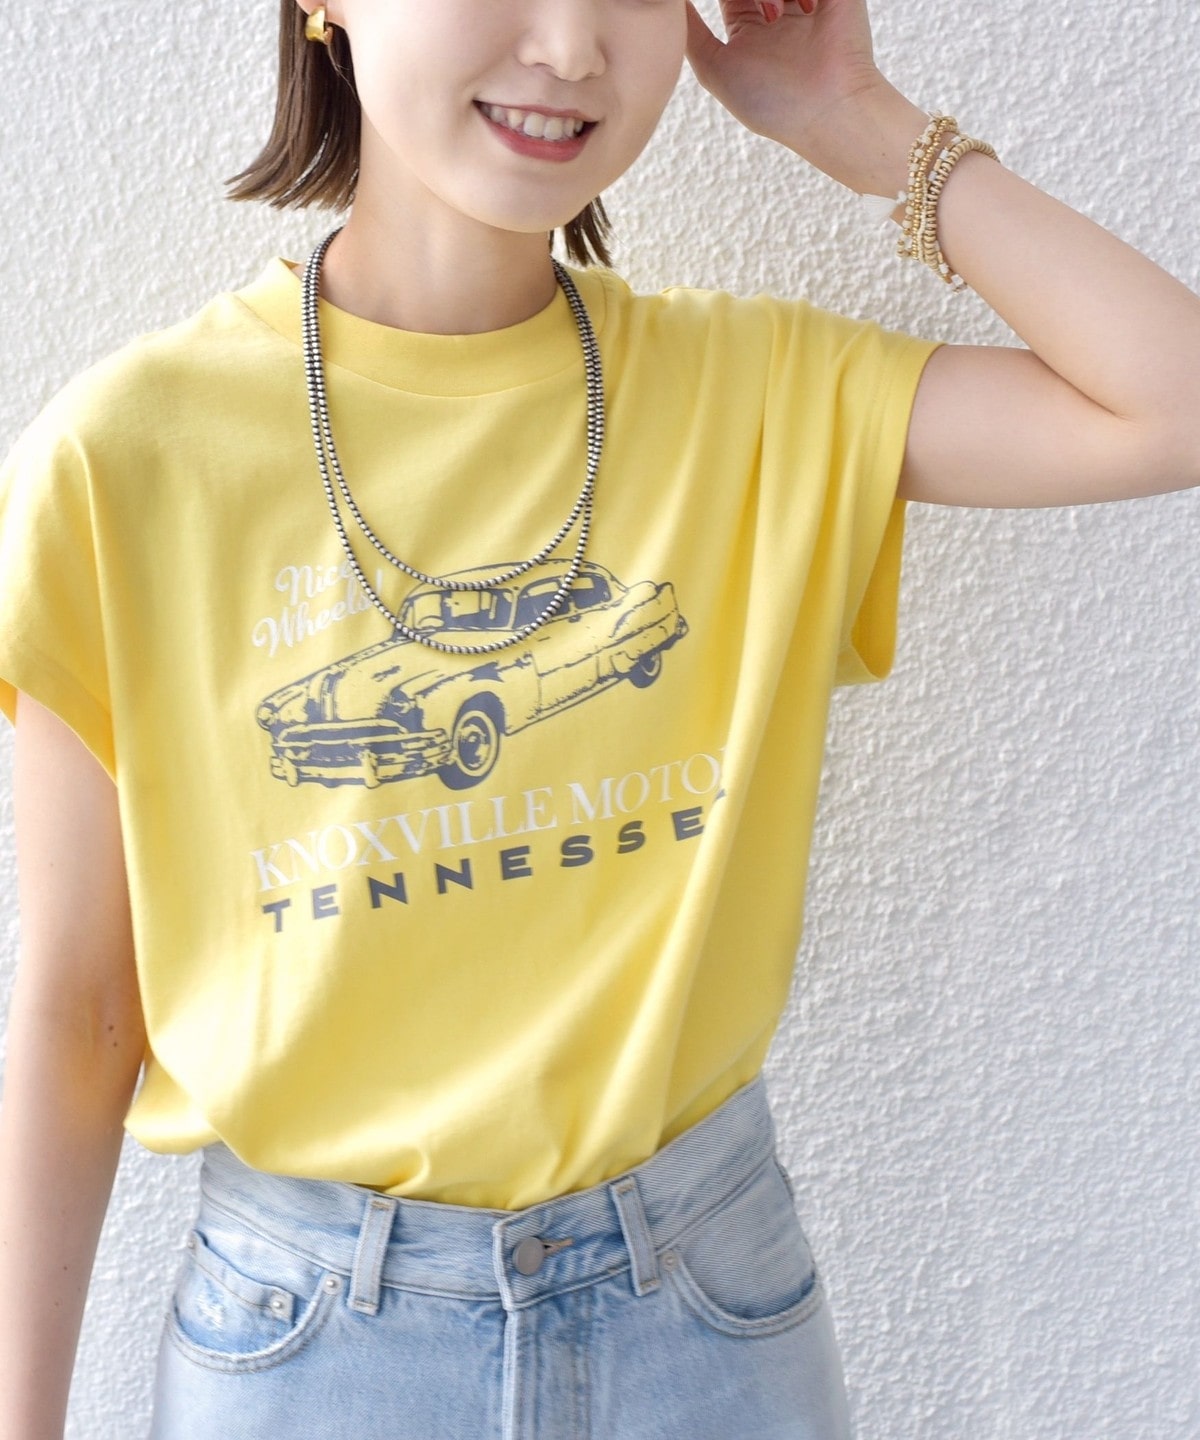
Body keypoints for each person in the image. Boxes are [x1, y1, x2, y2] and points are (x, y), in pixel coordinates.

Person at [0, 0, 1196, 1436]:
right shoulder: (126, 458)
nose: (571, 47)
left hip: (702, 1317)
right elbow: (84, 1009)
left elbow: (1171, 401)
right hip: (311, 1343)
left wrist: (860, 124)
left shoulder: (756, 394)